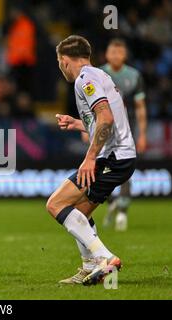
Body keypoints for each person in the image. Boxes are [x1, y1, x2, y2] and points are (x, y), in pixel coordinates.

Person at [47, 35, 136, 285]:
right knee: (79, 213)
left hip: (112, 156)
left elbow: (106, 119)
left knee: (55, 204)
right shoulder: (99, 75)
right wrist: (77, 123)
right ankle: (89, 267)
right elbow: (104, 119)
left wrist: (90, 158)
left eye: (58, 62)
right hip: (120, 156)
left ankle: (105, 257)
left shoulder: (85, 78)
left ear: (64, 61)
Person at [100, 39, 147, 231]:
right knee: (101, 167)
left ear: (125, 55)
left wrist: (143, 133)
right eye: (113, 52)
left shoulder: (134, 76)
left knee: (126, 169)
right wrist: (86, 128)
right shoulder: (99, 74)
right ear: (107, 54)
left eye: (120, 52)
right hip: (103, 129)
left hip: (127, 129)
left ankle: (122, 211)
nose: (116, 56)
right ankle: (111, 201)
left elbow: (140, 107)